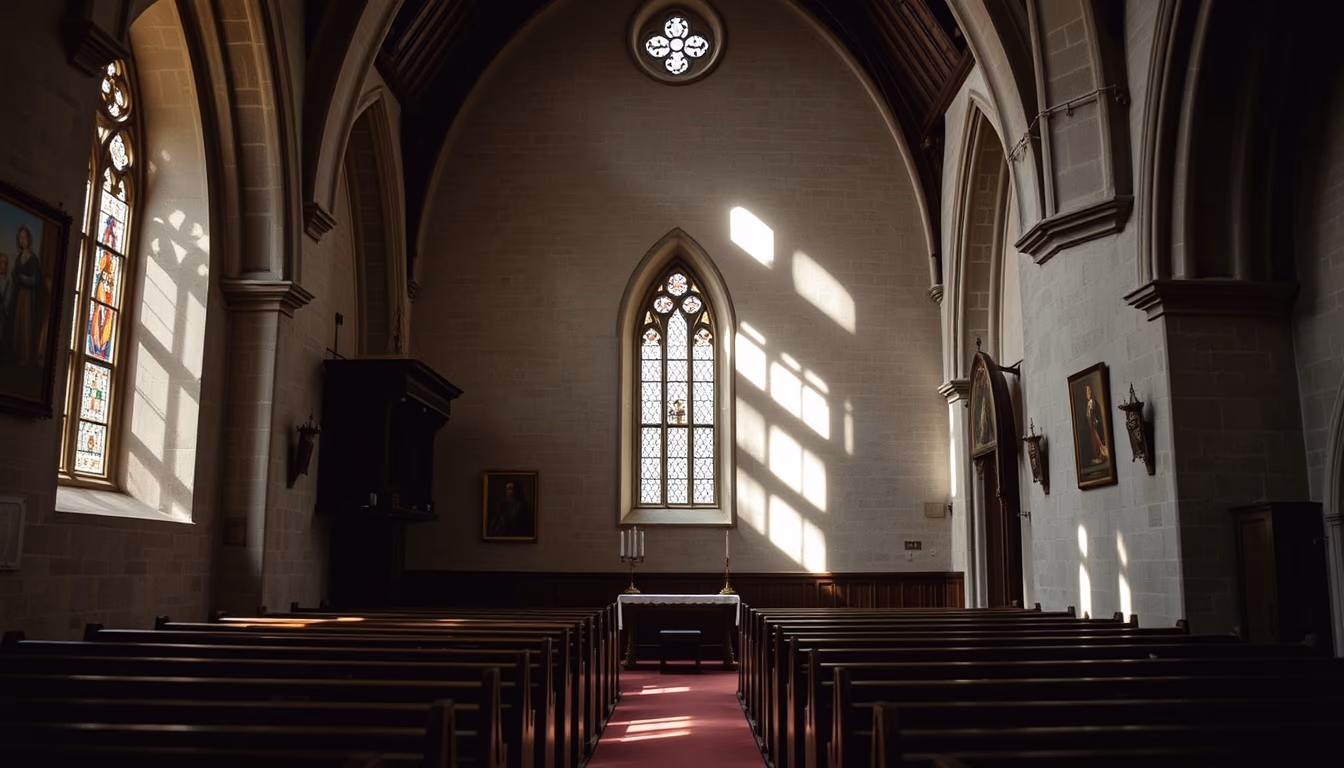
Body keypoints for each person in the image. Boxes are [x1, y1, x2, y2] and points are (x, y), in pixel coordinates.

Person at [6, 226, 45, 368]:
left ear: (29, 239)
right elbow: (14, 273)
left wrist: (27, 279)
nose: (23, 241)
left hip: (28, 297)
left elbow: (36, 279)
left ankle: (25, 356)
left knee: (26, 323)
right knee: (16, 323)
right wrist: (18, 277)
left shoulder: (33, 258)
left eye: (24, 237)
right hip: (19, 294)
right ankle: (16, 353)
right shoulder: (18, 258)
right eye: (20, 238)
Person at [1085, 384, 1109, 465]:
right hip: (1091, 424)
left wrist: (1092, 421)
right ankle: (1098, 456)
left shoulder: (1092, 402)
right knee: (1094, 440)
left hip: (1094, 424)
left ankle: (1101, 455)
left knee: (1097, 440)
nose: (1088, 393)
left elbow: (1091, 414)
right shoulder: (1089, 402)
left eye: (1089, 391)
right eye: (1087, 391)